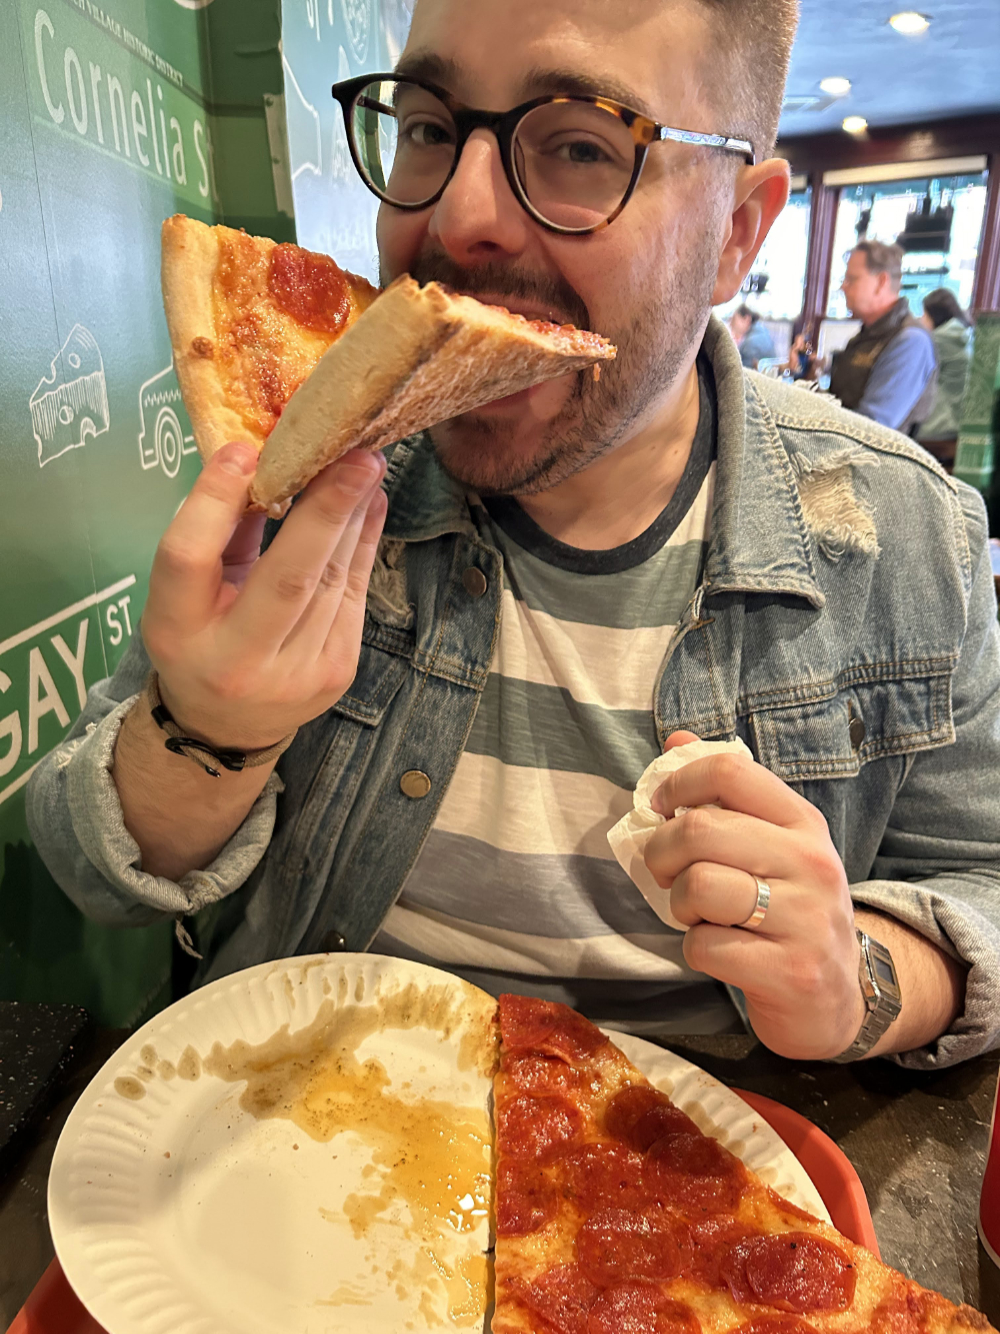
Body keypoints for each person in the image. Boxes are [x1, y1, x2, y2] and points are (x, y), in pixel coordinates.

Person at [27, 0, 1000, 1069]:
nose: (458, 216)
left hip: (688, 1169)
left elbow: (981, 879)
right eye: (431, 128)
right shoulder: (305, 457)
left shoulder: (908, 532)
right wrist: (208, 729)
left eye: (581, 144)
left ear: (734, 233)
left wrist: (855, 976)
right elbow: (91, 861)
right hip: (294, 1126)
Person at [830, 241, 938, 434]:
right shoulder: (868, 336)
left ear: (881, 282)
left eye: (851, 280)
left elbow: (873, 428)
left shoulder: (910, 341)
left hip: (873, 461)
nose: (843, 287)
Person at [916, 288, 974, 470]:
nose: (921, 319)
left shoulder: (939, 340)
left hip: (940, 423)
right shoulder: (965, 334)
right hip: (960, 419)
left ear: (935, 315)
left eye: (924, 314)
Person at [728, 303, 776, 369]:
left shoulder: (750, 344)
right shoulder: (762, 332)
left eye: (733, 319)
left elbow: (741, 373)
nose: (730, 323)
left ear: (747, 319)